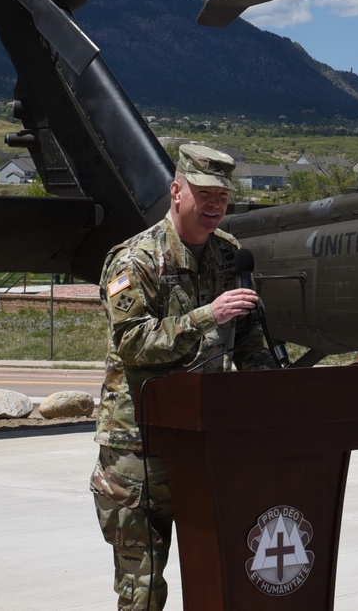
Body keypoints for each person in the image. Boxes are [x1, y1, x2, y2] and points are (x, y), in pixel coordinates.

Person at [90, 144, 275, 610]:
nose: (215, 205)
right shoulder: (135, 261)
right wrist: (206, 317)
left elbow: (251, 341)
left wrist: (277, 393)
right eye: (204, 193)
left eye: (223, 197)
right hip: (140, 453)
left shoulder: (230, 256)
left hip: (205, 445)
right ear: (176, 191)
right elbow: (134, 345)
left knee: (216, 576)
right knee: (143, 590)